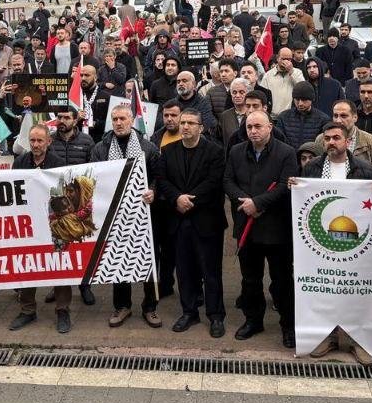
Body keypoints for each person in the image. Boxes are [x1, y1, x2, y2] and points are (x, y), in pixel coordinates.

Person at [295, 122, 372, 365]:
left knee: (355, 291)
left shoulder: (365, 169)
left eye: (336, 138)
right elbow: (303, 202)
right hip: (321, 246)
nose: (331, 142)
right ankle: (328, 337)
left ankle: (358, 341)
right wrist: (296, 188)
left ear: (347, 142)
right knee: (326, 290)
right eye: (327, 138)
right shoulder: (312, 168)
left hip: (354, 248)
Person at [225, 111, 297, 345]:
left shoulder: (286, 152)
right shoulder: (236, 151)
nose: (253, 131)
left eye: (258, 126)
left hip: (276, 229)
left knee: (282, 281)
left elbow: (286, 186)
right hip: (247, 227)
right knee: (250, 280)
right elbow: (228, 181)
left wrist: (258, 203)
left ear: (269, 127)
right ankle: (253, 320)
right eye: (249, 127)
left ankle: (288, 325)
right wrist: (245, 203)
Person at [93, 104, 163, 328]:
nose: (118, 123)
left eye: (123, 118)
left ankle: (150, 307)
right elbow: (93, 178)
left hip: (144, 214)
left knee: (148, 260)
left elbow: (159, 176)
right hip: (114, 215)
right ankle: (122, 306)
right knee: (118, 258)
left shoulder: (148, 147)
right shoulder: (100, 149)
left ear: (132, 121)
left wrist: (153, 191)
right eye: (115, 119)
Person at [158, 109, 227, 338]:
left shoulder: (215, 151)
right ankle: (189, 312)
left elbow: (213, 183)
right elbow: (163, 180)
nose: (185, 126)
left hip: (206, 220)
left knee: (211, 272)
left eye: (190, 123)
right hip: (178, 220)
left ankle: (215, 315)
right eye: (183, 122)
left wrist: (188, 200)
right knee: (184, 271)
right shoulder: (168, 151)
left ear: (201, 127)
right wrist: (176, 198)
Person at [9, 126, 72, 334]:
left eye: (39, 141)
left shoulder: (58, 164)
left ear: (48, 142)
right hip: (29, 223)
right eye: (32, 141)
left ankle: (62, 310)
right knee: (28, 264)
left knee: (60, 265)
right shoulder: (19, 162)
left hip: (54, 222)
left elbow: (65, 194)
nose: (35, 145)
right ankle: (27, 310)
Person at [275, 82, 329, 151]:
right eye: (297, 99)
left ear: (312, 99)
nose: (300, 103)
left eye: (304, 100)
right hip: (288, 156)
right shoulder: (283, 117)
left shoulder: (323, 119)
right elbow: (279, 141)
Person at [261, 48, 304, 116]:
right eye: (283, 59)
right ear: (277, 58)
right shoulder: (268, 75)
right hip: (273, 116)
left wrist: (291, 72)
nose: (286, 62)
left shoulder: (297, 72)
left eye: (289, 59)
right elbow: (262, 96)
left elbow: (302, 89)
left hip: (291, 116)